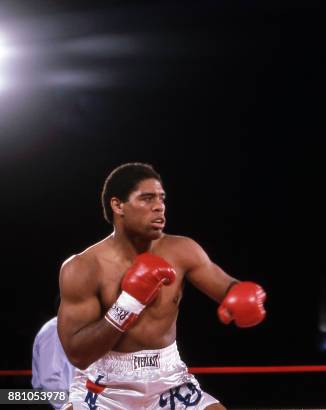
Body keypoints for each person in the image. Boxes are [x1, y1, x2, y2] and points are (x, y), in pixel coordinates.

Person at [57, 162, 266, 410]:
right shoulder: (83, 267)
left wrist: (241, 295)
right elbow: (78, 354)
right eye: (147, 198)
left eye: (161, 198)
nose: (159, 206)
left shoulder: (182, 251)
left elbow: (227, 287)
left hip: (168, 381)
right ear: (117, 205)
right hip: (104, 386)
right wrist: (128, 304)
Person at [32, 316, 75, 409]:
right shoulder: (54, 329)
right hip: (52, 403)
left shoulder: (71, 328)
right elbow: (49, 379)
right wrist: (66, 406)